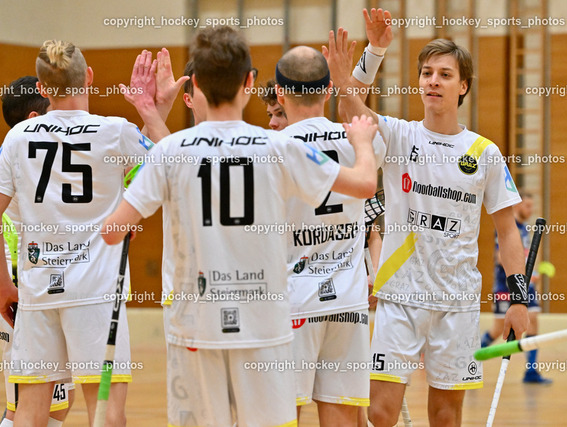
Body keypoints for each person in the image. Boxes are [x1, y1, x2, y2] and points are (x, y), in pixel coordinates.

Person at [102, 25, 378, 427]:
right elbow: (365, 184)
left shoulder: (170, 152)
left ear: (195, 85)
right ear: (249, 83)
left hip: (196, 324)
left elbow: (112, 231)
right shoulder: (281, 146)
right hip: (264, 323)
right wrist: (364, 145)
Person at [326, 9, 529, 426]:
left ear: (463, 86)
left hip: (458, 304)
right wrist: (370, 56)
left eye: (444, 74)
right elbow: (351, 113)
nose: (433, 81)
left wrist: (518, 299)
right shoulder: (400, 135)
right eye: (426, 73)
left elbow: (508, 232)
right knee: (380, 413)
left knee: (445, 417)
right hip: (400, 297)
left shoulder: (484, 153)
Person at [0, 40, 157, 425]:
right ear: (88, 77)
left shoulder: (18, 137)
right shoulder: (115, 131)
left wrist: (4, 287)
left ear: (43, 88)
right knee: (106, 412)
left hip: (38, 292)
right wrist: (153, 110)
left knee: (30, 413)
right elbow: (169, 170)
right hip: (96, 294)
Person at [275, 46, 383, 426]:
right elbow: (362, 122)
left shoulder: (273, 149)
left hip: (293, 302)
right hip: (348, 303)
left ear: (279, 93)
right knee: (343, 418)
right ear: (326, 90)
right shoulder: (361, 142)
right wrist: (359, 70)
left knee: (281, 416)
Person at [0, 75, 75, 427]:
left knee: (49, 409)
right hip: (21, 300)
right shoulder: (31, 163)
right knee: (31, 412)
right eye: (55, 107)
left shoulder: (14, 157)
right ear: (35, 119)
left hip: (18, 296)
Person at [482, 192, 552, 384]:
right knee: (498, 329)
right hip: (506, 286)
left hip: (526, 285)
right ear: (517, 204)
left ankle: (531, 371)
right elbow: (501, 258)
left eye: (532, 206)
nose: (530, 210)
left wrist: (532, 275)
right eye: (527, 205)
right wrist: (520, 274)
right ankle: (471, 359)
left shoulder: (524, 229)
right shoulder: (508, 226)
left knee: (533, 320)